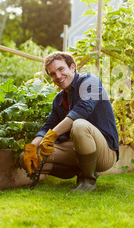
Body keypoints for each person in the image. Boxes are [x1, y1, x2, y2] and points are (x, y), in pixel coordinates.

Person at [19, 52, 119, 192]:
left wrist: (53, 135)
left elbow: (83, 110)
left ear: (72, 67)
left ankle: (88, 181)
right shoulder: (59, 99)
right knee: (26, 158)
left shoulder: (90, 81)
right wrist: (32, 147)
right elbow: (48, 126)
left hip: (104, 152)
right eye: (52, 74)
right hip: (76, 150)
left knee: (79, 124)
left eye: (61, 69)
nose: (58, 76)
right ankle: (79, 170)